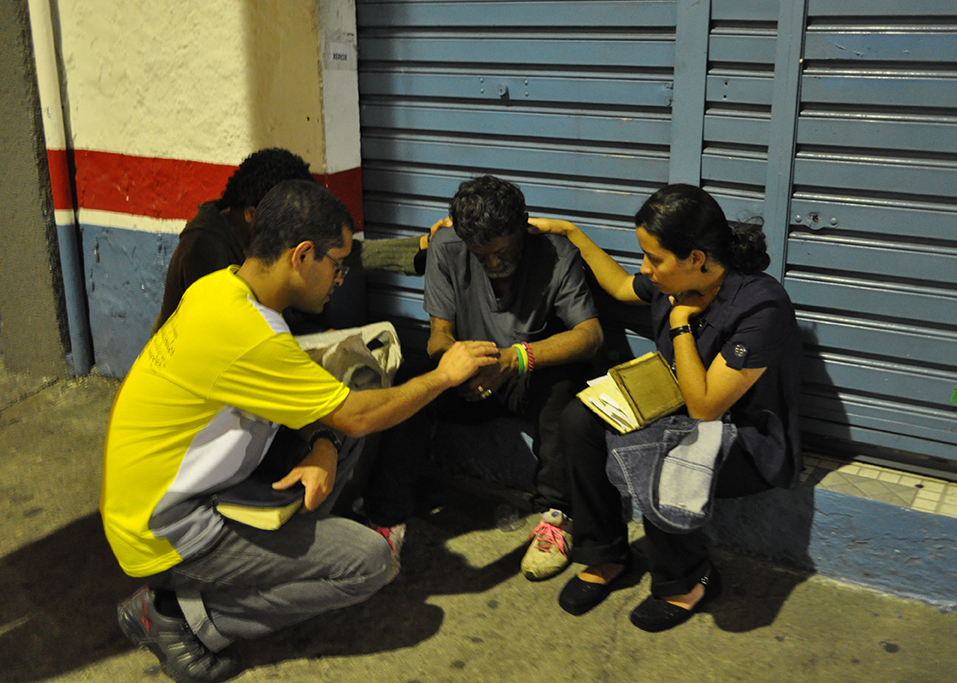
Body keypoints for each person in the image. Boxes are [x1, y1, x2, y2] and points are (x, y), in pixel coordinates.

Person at [103, 180, 497, 683]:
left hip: (164, 497)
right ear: (302, 256)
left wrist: (325, 444)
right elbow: (354, 413)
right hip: (167, 532)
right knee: (371, 563)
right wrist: (443, 376)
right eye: (338, 263)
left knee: (342, 423)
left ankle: (241, 569)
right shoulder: (250, 334)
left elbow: (320, 408)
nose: (341, 278)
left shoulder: (221, 289)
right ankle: (180, 617)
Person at [529, 184, 803, 632]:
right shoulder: (675, 279)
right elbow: (619, 286)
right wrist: (572, 232)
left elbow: (706, 408)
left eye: (653, 258)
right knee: (580, 417)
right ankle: (606, 553)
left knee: (654, 450)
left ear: (696, 258)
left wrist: (679, 323)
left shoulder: (760, 305)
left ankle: (689, 580)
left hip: (747, 444)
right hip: (684, 415)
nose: (646, 269)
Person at [362, 175, 604, 582]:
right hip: (468, 374)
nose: (492, 263)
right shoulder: (447, 246)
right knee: (410, 381)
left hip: (523, 372)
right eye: (481, 254)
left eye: (501, 251)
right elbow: (440, 332)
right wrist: (454, 362)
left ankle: (555, 520)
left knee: (562, 385)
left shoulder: (557, 255)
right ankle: (386, 519)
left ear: (522, 225)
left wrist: (514, 359)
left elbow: (590, 335)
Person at [153, 147, 427, 334]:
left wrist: (422, 247)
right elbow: (225, 338)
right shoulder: (202, 250)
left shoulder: (265, 231)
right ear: (252, 213)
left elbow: (336, 254)